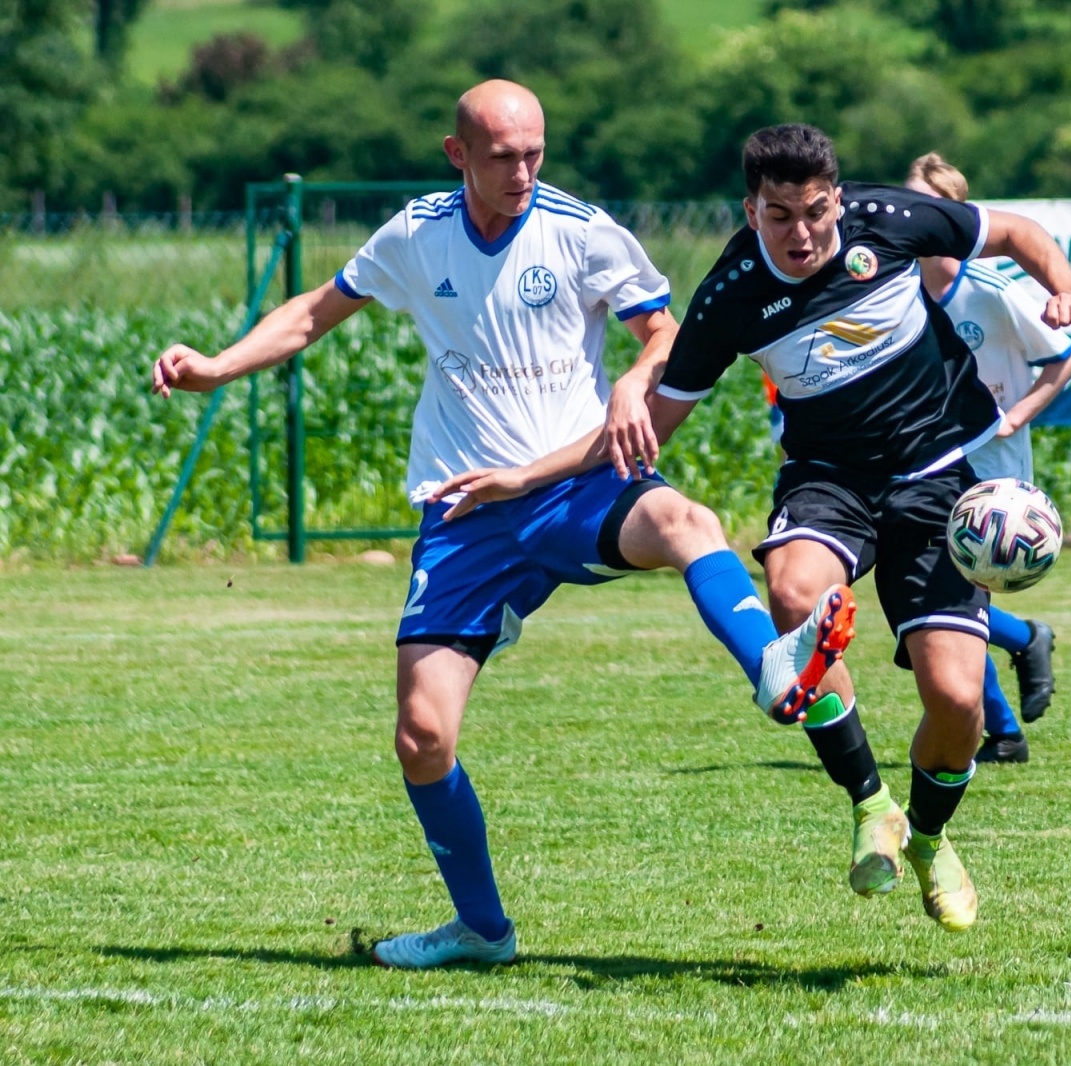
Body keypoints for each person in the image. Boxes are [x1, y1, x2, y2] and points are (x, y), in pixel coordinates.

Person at [150, 82, 853, 969]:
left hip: (573, 487)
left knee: (685, 518)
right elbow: (312, 313)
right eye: (501, 155)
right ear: (458, 154)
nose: (522, 171)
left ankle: (772, 669)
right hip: (465, 512)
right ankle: (482, 930)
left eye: (534, 153)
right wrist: (217, 366)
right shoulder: (416, 234)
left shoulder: (584, 231)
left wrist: (635, 380)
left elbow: (666, 332)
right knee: (422, 735)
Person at [622, 124, 1071, 932]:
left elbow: (1013, 231)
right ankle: (870, 804)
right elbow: (661, 417)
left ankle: (930, 841)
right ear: (751, 209)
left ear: (838, 196)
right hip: (828, 482)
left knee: (956, 703)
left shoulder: (888, 219)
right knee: (794, 589)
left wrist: (1065, 284)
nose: (801, 233)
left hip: (939, 478)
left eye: (814, 211)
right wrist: (626, 409)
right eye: (779, 216)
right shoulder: (732, 290)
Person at [906, 152, 1071, 765]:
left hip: (992, 463)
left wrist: (1016, 414)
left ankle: (1014, 682)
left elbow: (1064, 357)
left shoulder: (991, 291)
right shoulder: (896, 291)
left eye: (927, 205)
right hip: (931, 457)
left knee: (950, 600)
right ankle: (1007, 714)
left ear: (953, 213)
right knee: (945, 601)